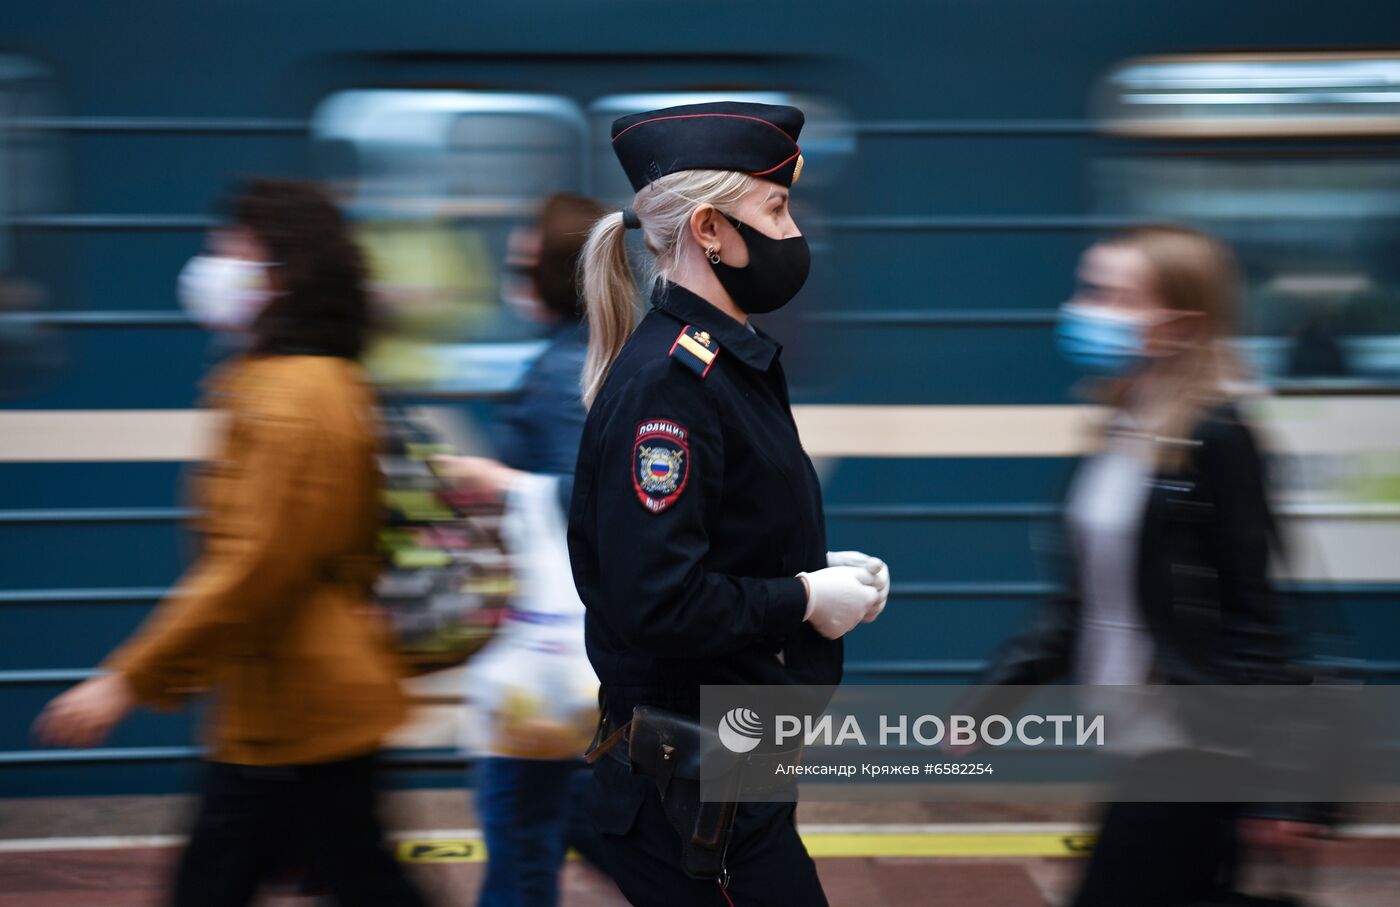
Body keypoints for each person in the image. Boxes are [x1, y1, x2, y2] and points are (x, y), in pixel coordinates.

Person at [33, 179, 427, 907]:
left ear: (282, 272)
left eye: (232, 248)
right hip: (290, 705)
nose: (212, 264)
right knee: (360, 876)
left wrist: (126, 679)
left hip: (299, 706)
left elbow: (251, 566)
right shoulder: (306, 380)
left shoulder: (292, 398)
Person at [566, 101, 891, 907]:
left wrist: (813, 573)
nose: (792, 230)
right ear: (710, 229)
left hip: (729, 773)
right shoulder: (670, 387)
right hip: (694, 796)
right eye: (775, 207)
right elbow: (662, 600)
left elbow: (719, 541)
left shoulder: (720, 364)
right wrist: (807, 598)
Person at [981, 225, 1325, 907]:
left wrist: (1284, 785)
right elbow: (1086, 598)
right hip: (1136, 732)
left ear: (1177, 323)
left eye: (1111, 295)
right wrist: (995, 697)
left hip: (1196, 737)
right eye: (1088, 288)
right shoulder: (1122, 425)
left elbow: (1256, 613)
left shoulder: (1217, 435)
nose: (1083, 308)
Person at [434, 192, 612, 907]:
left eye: (522, 257)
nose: (511, 269)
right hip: (565, 649)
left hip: (548, 652)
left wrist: (495, 481)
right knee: (560, 816)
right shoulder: (586, 355)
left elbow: (587, 496)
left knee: (521, 825)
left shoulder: (564, 372)